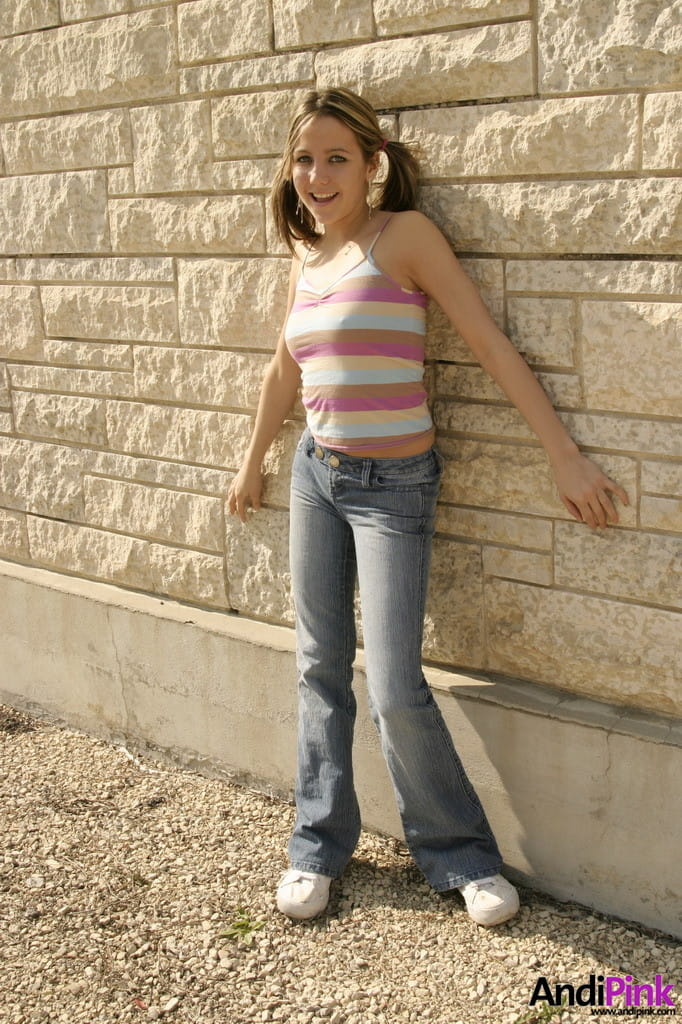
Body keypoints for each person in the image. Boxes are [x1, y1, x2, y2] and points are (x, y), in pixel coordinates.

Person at [227, 88, 628, 927]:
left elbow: (486, 341)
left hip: (394, 488)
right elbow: (283, 369)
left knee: (394, 684)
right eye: (305, 159)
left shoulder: (403, 236)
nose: (318, 175)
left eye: (337, 158)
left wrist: (563, 454)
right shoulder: (307, 253)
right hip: (316, 477)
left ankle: (460, 856)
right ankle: (316, 845)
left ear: (372, 163)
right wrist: (253, 461)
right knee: (319, 664)